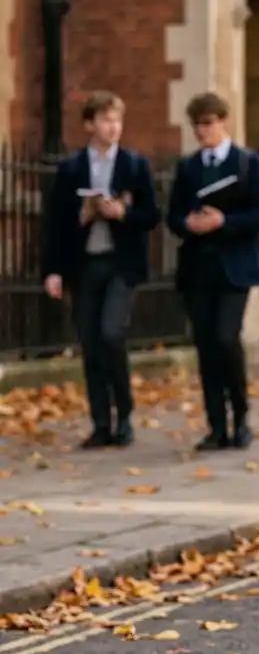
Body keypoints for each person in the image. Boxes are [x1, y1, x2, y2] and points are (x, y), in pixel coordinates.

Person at [42, 91, 160, 448]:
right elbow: (55, 224)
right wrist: (53, 270)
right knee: (91, 344)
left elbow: (152, 216)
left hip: (121, 264)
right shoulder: (71, 169)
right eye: (106, 120)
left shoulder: (135, 165)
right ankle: (101, 423)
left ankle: (124, 415)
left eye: (117, 120)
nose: (113, 127)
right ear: (89, 125)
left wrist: (122, 213)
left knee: (111, 334)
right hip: (84, 264)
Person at [166, 93, 259, 451]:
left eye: (208, 123)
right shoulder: (188, 167)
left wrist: (224, 221)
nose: (203, 131)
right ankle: (216, 425)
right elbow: (173, 216)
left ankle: (240, 418)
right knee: (206, 346)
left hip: (235, 268)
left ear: (223, 121)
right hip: (197, 269)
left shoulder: (247, 163)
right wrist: (188, 223)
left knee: (226, 338)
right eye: (197, 125)